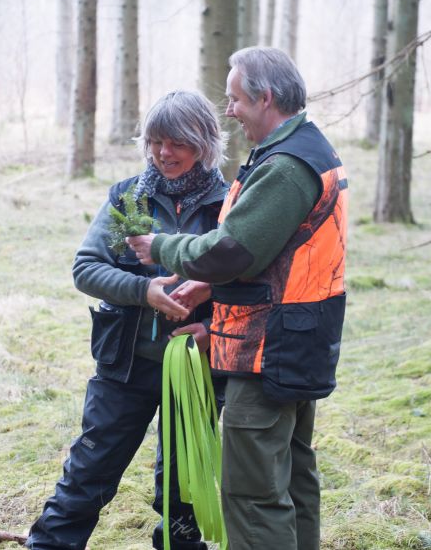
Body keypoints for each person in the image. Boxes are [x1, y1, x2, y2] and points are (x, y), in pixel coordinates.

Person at [127, 47, 349, 550]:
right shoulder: (305, 151)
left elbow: (232, 250)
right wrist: (210, 285)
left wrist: (161, 247)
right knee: (292, 478)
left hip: (265, 351)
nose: (229, 111)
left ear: (265, 98)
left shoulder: (287, 166)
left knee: (251, 495)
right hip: (295, 343)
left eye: (235, 100)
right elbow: (280, 255)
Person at [25, 90, 229, 550]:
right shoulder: (125, 197)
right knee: (88, 472)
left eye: (176, 142)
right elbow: (86, 268)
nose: (163, 153)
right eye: (155, 141)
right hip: (125, 364)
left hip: (195, 367)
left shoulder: (229, 205)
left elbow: (249, 282)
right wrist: (144, 291)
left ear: (204, 142)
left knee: (184, 487)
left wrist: (214, 332)